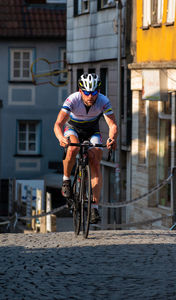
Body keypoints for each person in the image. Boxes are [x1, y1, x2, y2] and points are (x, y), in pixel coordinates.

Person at [54, 73, 118, 223]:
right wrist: (61, 138)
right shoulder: (73, 99)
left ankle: (94, 207)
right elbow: (58, 124)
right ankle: (66, 180)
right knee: (72, 149)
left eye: (94, 92)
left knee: (95, 161)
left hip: (92, 131)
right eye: (87, 92)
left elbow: (112, 125)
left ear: (99, 92)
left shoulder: (103, 101)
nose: (90, 96)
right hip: (73, 128)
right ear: (81, 90)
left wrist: (111, 138)